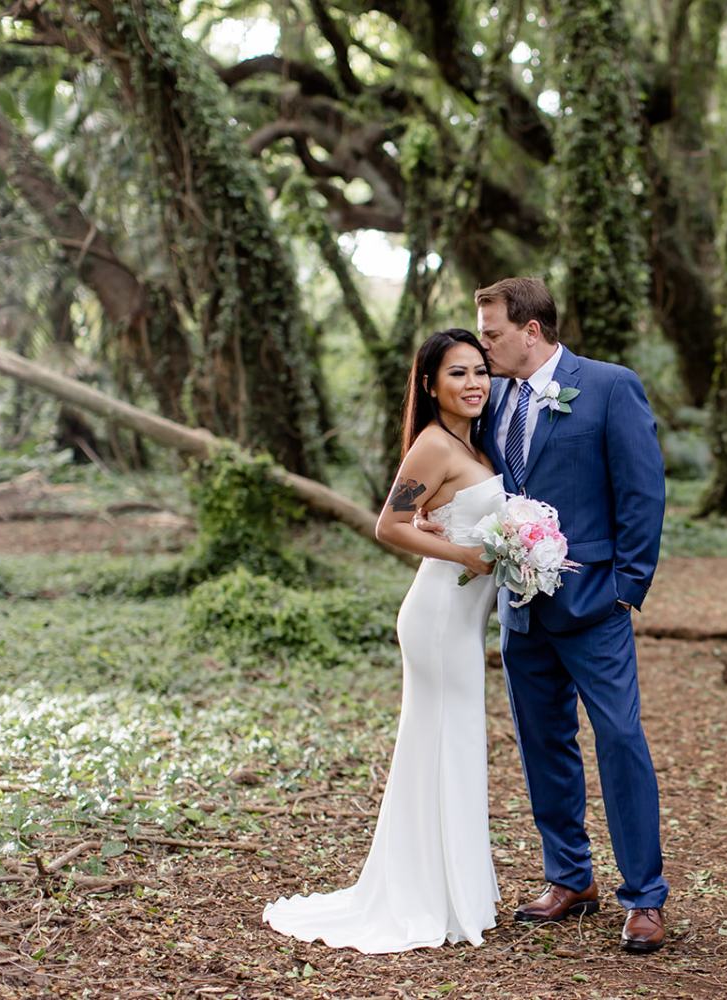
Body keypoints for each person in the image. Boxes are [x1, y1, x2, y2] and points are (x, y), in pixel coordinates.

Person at [262, 329, 504, 952]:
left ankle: (452, 891)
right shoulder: (431, 444)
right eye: (457, 374)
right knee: (440, 740)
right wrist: (463, 554)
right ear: (430, 384)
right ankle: (427, 896)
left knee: (453, 742)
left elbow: (438, 511)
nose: (474, 383)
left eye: (480, 370)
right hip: (438, 613)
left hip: (461, 614)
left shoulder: (468, 442)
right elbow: (389, 524)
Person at [471, 276, 669, 953]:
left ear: (531, 330)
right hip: (520, 610)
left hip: (594, 604)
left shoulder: (609, 386)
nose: (484, 344)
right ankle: (568, 876)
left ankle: (644, 897)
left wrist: (625, 589)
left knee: (619, 739)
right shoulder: (491, 399)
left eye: (493, 332)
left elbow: (642, 490)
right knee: (541, 743)